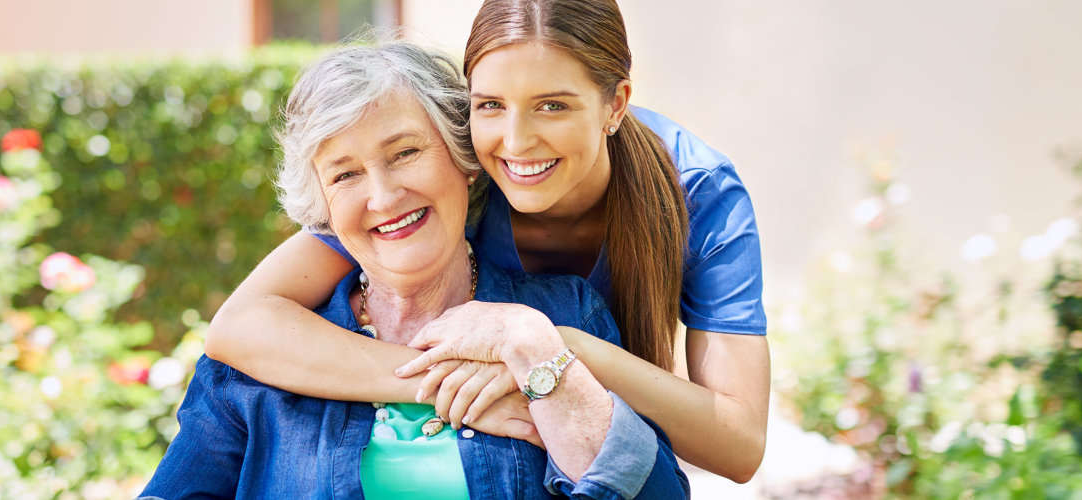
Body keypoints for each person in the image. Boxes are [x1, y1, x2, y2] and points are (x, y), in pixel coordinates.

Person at [206, 0, 771, 483]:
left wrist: (552, 349)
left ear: (615, 103)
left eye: (553, 104)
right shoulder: (456, 169)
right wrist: (434, 383)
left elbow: (739, 445)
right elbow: (241, 325)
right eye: (490, 105)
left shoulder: (698, 192)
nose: (516, 142)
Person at [139, 41, 688, 499]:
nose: (383, 196)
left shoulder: (563, 314)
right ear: (323, 208)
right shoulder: (254, 367)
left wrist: (540, 355)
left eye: (405, 154)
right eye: (345, 175)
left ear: (463, 158)